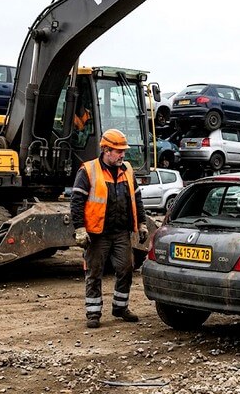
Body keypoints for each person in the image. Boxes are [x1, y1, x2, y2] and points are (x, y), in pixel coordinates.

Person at [70, 128, 149, 328]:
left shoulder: (128, 170)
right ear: (106, 150)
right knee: (94, 272)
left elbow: (136, 198)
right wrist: (79, 228)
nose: (123, 154)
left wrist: (141, 223)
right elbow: (77, 201)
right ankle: (93, 313)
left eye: (123, 150)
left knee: (125, 268)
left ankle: (120, 307)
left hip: (121, 232)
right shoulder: (88, 170)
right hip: (98, 234)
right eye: (118, 150)